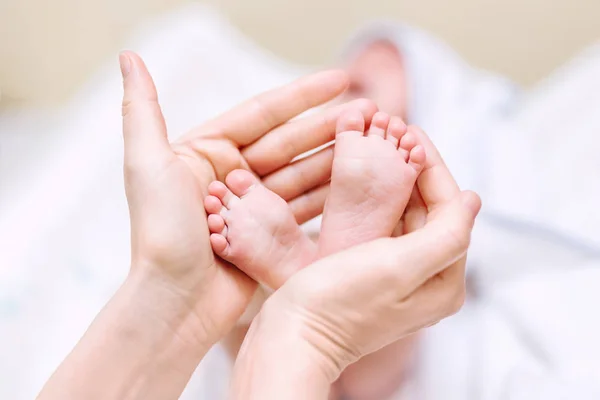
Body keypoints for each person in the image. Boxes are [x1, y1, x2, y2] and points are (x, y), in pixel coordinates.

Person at [37, 51, 480, 399]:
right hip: (326, 311)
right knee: (376, 338)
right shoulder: (372, 160)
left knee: (281, 315)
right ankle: (321, 279)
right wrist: (308, 328)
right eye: (354, 75)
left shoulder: (458, 138)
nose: (363, 104)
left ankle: (301, 274)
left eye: (378, 80)